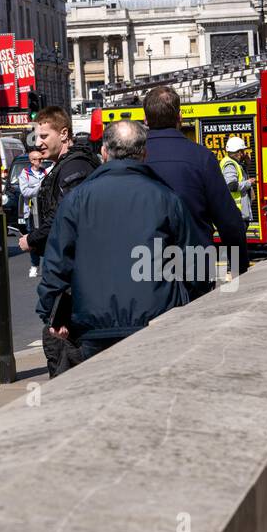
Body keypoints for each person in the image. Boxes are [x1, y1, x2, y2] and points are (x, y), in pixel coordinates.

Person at [36, 120, 200, 371]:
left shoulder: (77, 200)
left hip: (93, 324)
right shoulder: (166, 197)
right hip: (156, 317)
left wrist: (52, 313)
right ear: (144, 153)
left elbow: (57, 262)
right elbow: (195, 262)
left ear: (104, 152)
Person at [20, 106, 103, 375]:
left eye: (44, 135)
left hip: (74, 284)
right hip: (72, 282)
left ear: (64, 133)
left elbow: (66, 222)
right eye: (37, 136)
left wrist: (32, 239)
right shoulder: (66, 167)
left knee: (63, 356)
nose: (38, 142)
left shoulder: (74, 169)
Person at [142, 85, 248, 282]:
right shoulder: (202, 157)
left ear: (146, 120)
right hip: (194, 267)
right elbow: (229, 223)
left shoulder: (134, 158)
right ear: (180, 117)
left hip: (145, 266)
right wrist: (238, 269)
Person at [17, 145, 51, 278]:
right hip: (30, 213)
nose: (41, 161)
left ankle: (47, 267)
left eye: (42, 159)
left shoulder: (46, 173)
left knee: (48, 239)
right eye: (38, 159)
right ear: (32, 161)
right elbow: (25, 192)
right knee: (33, 239)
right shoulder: (24, 174)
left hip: (45, 212)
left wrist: (37, 187)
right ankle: (34, 266)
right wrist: (40, 187)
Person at [221, 136, 255, 225]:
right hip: (235, 213)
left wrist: (247, 165)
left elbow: (240, 176)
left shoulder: (235, 163)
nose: (244, 154)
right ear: (239, 152)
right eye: (243, 151)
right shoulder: (230, 165)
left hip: (237, 213)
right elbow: (232, 186)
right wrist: (249, 183)